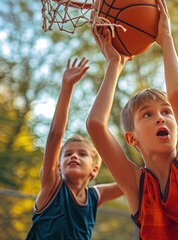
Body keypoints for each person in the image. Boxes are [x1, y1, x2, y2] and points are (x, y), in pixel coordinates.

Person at [86, 1, 178, 239]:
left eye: (166, 112)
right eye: (147, 114)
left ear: (177, 129)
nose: (160, 118)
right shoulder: (137, 185)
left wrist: (166, 37)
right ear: (131, 138)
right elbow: (95, 125)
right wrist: (114, 64)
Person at [26, 57, 123, 240]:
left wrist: (115, 64)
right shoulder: (51, 186)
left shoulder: (94, 196)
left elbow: (131, 181)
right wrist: (67, 88)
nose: (74, 156)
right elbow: (55, 136)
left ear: (94, 168)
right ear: (60, 166)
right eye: (68, 153)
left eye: (82, 154)